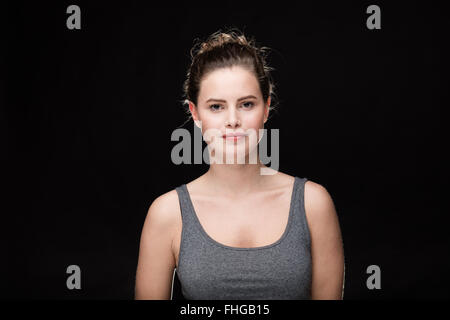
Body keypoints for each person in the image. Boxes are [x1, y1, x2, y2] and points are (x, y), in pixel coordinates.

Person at [135, 29, 345, 300]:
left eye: (246, 104)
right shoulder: (167, 214)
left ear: (266, 108)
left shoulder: (313, 204)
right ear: (195, 113)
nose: (232, 120)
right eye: (216, 107)